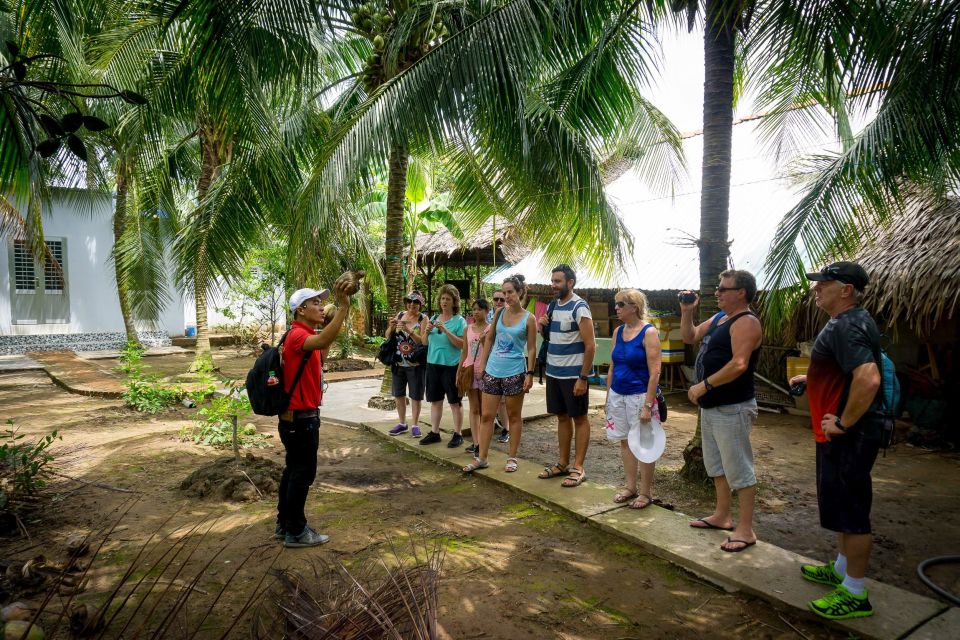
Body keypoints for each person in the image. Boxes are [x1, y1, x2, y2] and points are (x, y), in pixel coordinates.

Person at [789, 262, 882, 620]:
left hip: (848, 435)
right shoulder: (846, 322)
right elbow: (843, 372)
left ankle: (856, 592)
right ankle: (842, 569)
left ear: (845, 289)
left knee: (853, 510)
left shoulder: (850, 324)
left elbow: (869, 378)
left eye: (823, 284)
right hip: (837, 433)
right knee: (841, 506)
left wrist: (844, 421)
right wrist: (809, 379)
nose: (816, 289)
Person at [680, 269, 762, 553]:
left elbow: (739, 364)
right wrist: (687, 311)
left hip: (733, 406)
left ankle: (746, 529)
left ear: (741, 292)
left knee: (739, 467)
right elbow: (689, 336)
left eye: (724, 288)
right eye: (718, 287)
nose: (717, 292)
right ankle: (723, 515)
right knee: (716, 466)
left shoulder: (746, 322)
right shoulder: (719, 319)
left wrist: (704, 385)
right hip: (714, 407)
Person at [277, 280, 353, 548]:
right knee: (301, 473)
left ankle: (284, 522)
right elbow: (322, 340)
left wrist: (333, 319)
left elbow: (322, 350)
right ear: (300, 309)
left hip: (296, 418)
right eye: (316, 303)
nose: (321, 307)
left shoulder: (298, 336)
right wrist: (343, 308)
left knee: (293, 470)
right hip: (301, 419)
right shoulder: (298, 336)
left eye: (322, 302)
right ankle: (296, 531)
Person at [464, 275, 537, 473]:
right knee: (487, 415)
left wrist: (530, 373)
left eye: (510, 292)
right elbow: (489, 339)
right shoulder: (498, 313)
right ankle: (482, 457)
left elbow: (531, 349)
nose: (506, 297)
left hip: (515, 371)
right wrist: (484, 364)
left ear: (520, 292)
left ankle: (512, 457)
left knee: (514, 416)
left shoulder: (529, 318)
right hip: (493, 370)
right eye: (504, 293)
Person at [537, 264, 595, 488]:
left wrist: (583, 377)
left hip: (574, 374)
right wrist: (542, 326)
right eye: (552, 281)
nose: (553, 285)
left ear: (570, 283)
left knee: (579, 417)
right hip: (553, 371)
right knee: (561, 416)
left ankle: (578, 467)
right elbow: (552, 338)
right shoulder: (552, 306)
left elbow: (590, 346)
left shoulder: (580, 307)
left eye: (558, 281)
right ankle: (562, 463)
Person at [605, 289, 663, 509]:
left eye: (620, 304)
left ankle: (645, 492)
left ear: (634, 307)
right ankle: (630, 486)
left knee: (644, 443)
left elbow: (655, 371)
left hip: (639, 394)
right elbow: (613, 365)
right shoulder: (618, 331)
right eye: (616, 304)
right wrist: (609, 395)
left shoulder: (648, 332)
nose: (616, 308)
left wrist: (648, 404)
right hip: (618, 394)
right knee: (624, 441)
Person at [420, 284, 467, 447]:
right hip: (433, 365)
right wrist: (426, 331)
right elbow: (424, 342)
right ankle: (434, 432)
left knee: (455, 401)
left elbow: (462, 345)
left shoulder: (459, 321)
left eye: (448, 299)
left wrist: (446, 330)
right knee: (435, 400)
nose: (444, 301)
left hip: (451, 366)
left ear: (454, 302)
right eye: (442, 299)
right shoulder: (433, 319)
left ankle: (458, 433)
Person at [386, 291, 430, 438]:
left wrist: (409, 331)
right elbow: (387, 336)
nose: (412, 304)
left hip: (415, 364)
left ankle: (415, 424)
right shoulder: (400, 315)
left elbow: (423, 341)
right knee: (398, 394)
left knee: (416, 396)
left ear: (421, 305)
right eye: (409, 301)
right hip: (398, 362)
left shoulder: (424, 319)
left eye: (416, 302)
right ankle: (402, 423)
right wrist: (392, 327)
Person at [460, 298, 491, 455]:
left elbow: (491, 351)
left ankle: (483, 441)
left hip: (485, 371)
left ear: (487, 311)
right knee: (474, 408)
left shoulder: (491, 329)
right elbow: (465, 352)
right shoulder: (468, 329)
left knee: (485, 411)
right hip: (470, 370)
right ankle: (476, 442)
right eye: (474, 309)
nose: (476, 312)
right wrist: (459, 371)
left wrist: (485, 342)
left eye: (480, 309)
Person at [487, 289, 511, 443]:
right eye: (496, 299)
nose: (498, 302)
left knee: (502, 401)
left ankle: (506, 428)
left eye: (502, 300)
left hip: (505, 361)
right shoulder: (488, 315)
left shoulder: (510, 316)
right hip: (489, 361)